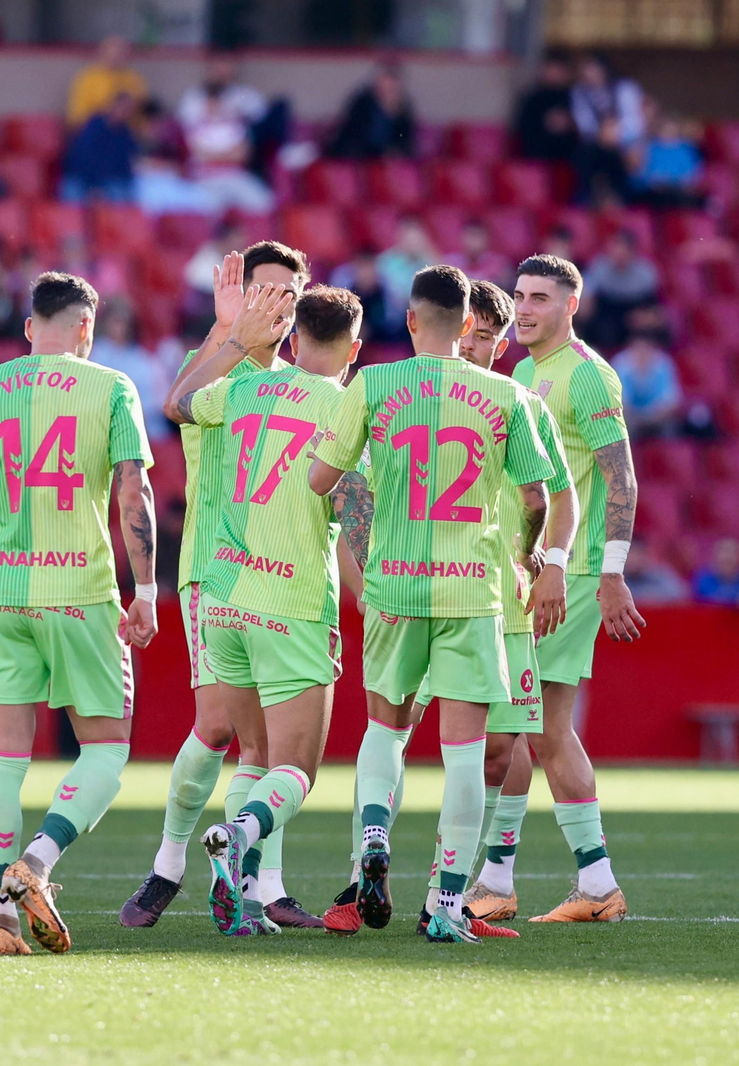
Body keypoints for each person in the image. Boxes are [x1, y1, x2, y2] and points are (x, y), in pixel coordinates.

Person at [307, 263, 558, 945]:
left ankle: (374, 840)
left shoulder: (373, 384)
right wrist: (526, 554)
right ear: (469, 323)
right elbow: (536, 498)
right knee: (465, 753)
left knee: (385, 731)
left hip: (394, 586)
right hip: (471, 590)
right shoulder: (507, 395)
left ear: (411, 319)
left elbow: (323, 480)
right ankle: (448, 903)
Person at [0, 271, 158, 957]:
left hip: (1, 594)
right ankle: (36, 861)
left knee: (2, 761)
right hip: (81, 593)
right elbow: (133, 493)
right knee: (107, 750)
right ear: (86, 328)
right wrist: (147, 588)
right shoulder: (112, 387)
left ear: (30, 327)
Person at [119, 241, 321, 933]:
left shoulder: (308, 383)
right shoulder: (212, 367)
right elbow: (174, 406)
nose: (275, 305)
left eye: (288, 294)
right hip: (216, 570)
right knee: (217, 727)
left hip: (284, 576)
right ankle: (169, 862)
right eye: (262, 290)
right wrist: (228, 330)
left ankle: (261, 887)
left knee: (267, 747)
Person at [167, 285, 367, 938]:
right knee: (295, 770)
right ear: (354, 350)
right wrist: (373, 593)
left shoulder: (244, 387)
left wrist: (235, 343)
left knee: (251, 753)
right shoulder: (347, 405)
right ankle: (237, 835)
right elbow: (354, 513)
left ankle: (245, 898)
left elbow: (176, 403)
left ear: (294, 339)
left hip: (224, 602)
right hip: (293, 605)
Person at [465, 253, 646, 925]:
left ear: (572, 305)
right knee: (537, 729)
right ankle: (587, 884)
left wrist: (611, 572)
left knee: (521, 726)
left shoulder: (588, 375)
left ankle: (502, 880)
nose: (524, 308)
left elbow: (621, 477)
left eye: (540, 297)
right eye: (519, 295)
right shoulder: (522, 373)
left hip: (568, 574)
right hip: (535, 572)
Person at [170, 68, 275, 215]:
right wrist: (227, 155)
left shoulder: (234, 125)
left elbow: (242, 155)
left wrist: (214, 155)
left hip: (235, 176)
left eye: (217, 102)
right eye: (210, 102)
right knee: (207, 209)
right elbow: (199, 156)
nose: (213, 106)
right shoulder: (194, 127)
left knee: (264, 202)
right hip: (206, 178)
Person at [569, 54, 644, 203]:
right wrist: (602, 133)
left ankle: (623, 198)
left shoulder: (625, 87)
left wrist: (616, 132)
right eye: (585, 70)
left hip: (626, 140)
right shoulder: (579, 92)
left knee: (629, 157)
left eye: (592, 69)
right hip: (595, 141)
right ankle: (588, 197)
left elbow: (634, 121)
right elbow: (584, 123)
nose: (589, 74)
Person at [91, 300, 169, 440]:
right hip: (98, 424)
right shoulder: (94, 352)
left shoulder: (143, 360)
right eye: (116, 321)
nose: (121, 327)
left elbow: (153, 401)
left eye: (125, 322)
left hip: (137, 425)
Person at [582, 229, 659, 349]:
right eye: (615, 247)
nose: (618, 253)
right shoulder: (598, 268)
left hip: (634, 317)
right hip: (605, 316)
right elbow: (587, 295)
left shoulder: (646, 274)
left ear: (632, 252)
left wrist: (645, 317)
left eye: (623, 249)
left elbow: (654, 307)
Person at [60, 92, 139, 203]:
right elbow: (80, 159)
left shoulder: (126, 134)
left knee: (122, 195)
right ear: (113, 106)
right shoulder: (94, 126)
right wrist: (95, 187)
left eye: (128, 109)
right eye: (122, 107)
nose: (124, 112)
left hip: (108, 182)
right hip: (82, 178)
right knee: (71, 196)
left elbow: (125, 166)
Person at [327, 61, 414, 159]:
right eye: (385, 84)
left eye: (392, 86)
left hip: (386, 160)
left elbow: (404, 139)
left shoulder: (403, 109)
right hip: (355, 155)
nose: (388, 89)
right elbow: (356, 135)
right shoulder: (362, 104)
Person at [610, 318, 682, 437]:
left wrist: (652, 418)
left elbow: (671, 402)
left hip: (659, 420)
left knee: (672, 428)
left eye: (646, 347)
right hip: (630, 420)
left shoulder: (664, 364)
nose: (642, 352)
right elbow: (618, 403)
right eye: (638, 347)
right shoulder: (620, 364)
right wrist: (637, 419)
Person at [375, 216, 437, 337]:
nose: (412, 242)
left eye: (416, 237)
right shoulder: (386, 263)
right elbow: (398, 299)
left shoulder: (429, 260)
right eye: (408, 237)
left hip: (425, 321)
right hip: (396, 324)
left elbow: (444, 289)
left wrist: (430, 254)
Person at [66, 36, 147, 127]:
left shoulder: (133, 78)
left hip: (127, 128)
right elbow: (77, 114)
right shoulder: (87, 78)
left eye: (120, 54)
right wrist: (109, 113)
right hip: (96, 127)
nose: (116, 58)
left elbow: (143, 108)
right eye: (112, 53)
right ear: (102, 54)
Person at [629, 113, 704, 208]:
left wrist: (684, 183)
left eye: (671, 128)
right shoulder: (649, 148)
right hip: (657, 190)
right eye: (665, 128)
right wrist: (653, 182)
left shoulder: (687, 149)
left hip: (680, 189)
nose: (668, 131)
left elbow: (695, 173)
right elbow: (642, 173)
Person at [514, 51, 577, 161]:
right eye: (551, 69)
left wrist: (568, 123)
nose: (554, 74)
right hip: (537, 152)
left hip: (568, 153)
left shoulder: (574, 97)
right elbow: (521, 127)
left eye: (559, 70)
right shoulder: (532, 97)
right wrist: (546, 123)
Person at [445, 219, 511, 290]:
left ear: (486, 238)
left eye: (476, 236)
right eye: (469, 236)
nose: (472, 242)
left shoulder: (500, 265)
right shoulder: (450, 263)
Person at [625, 539, 688, 604]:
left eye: (635, 554)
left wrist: (655, 598)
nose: (632, 559)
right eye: (628, 555)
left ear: (644, 555)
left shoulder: (661, 575)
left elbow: (681, 596)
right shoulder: (620, 580)